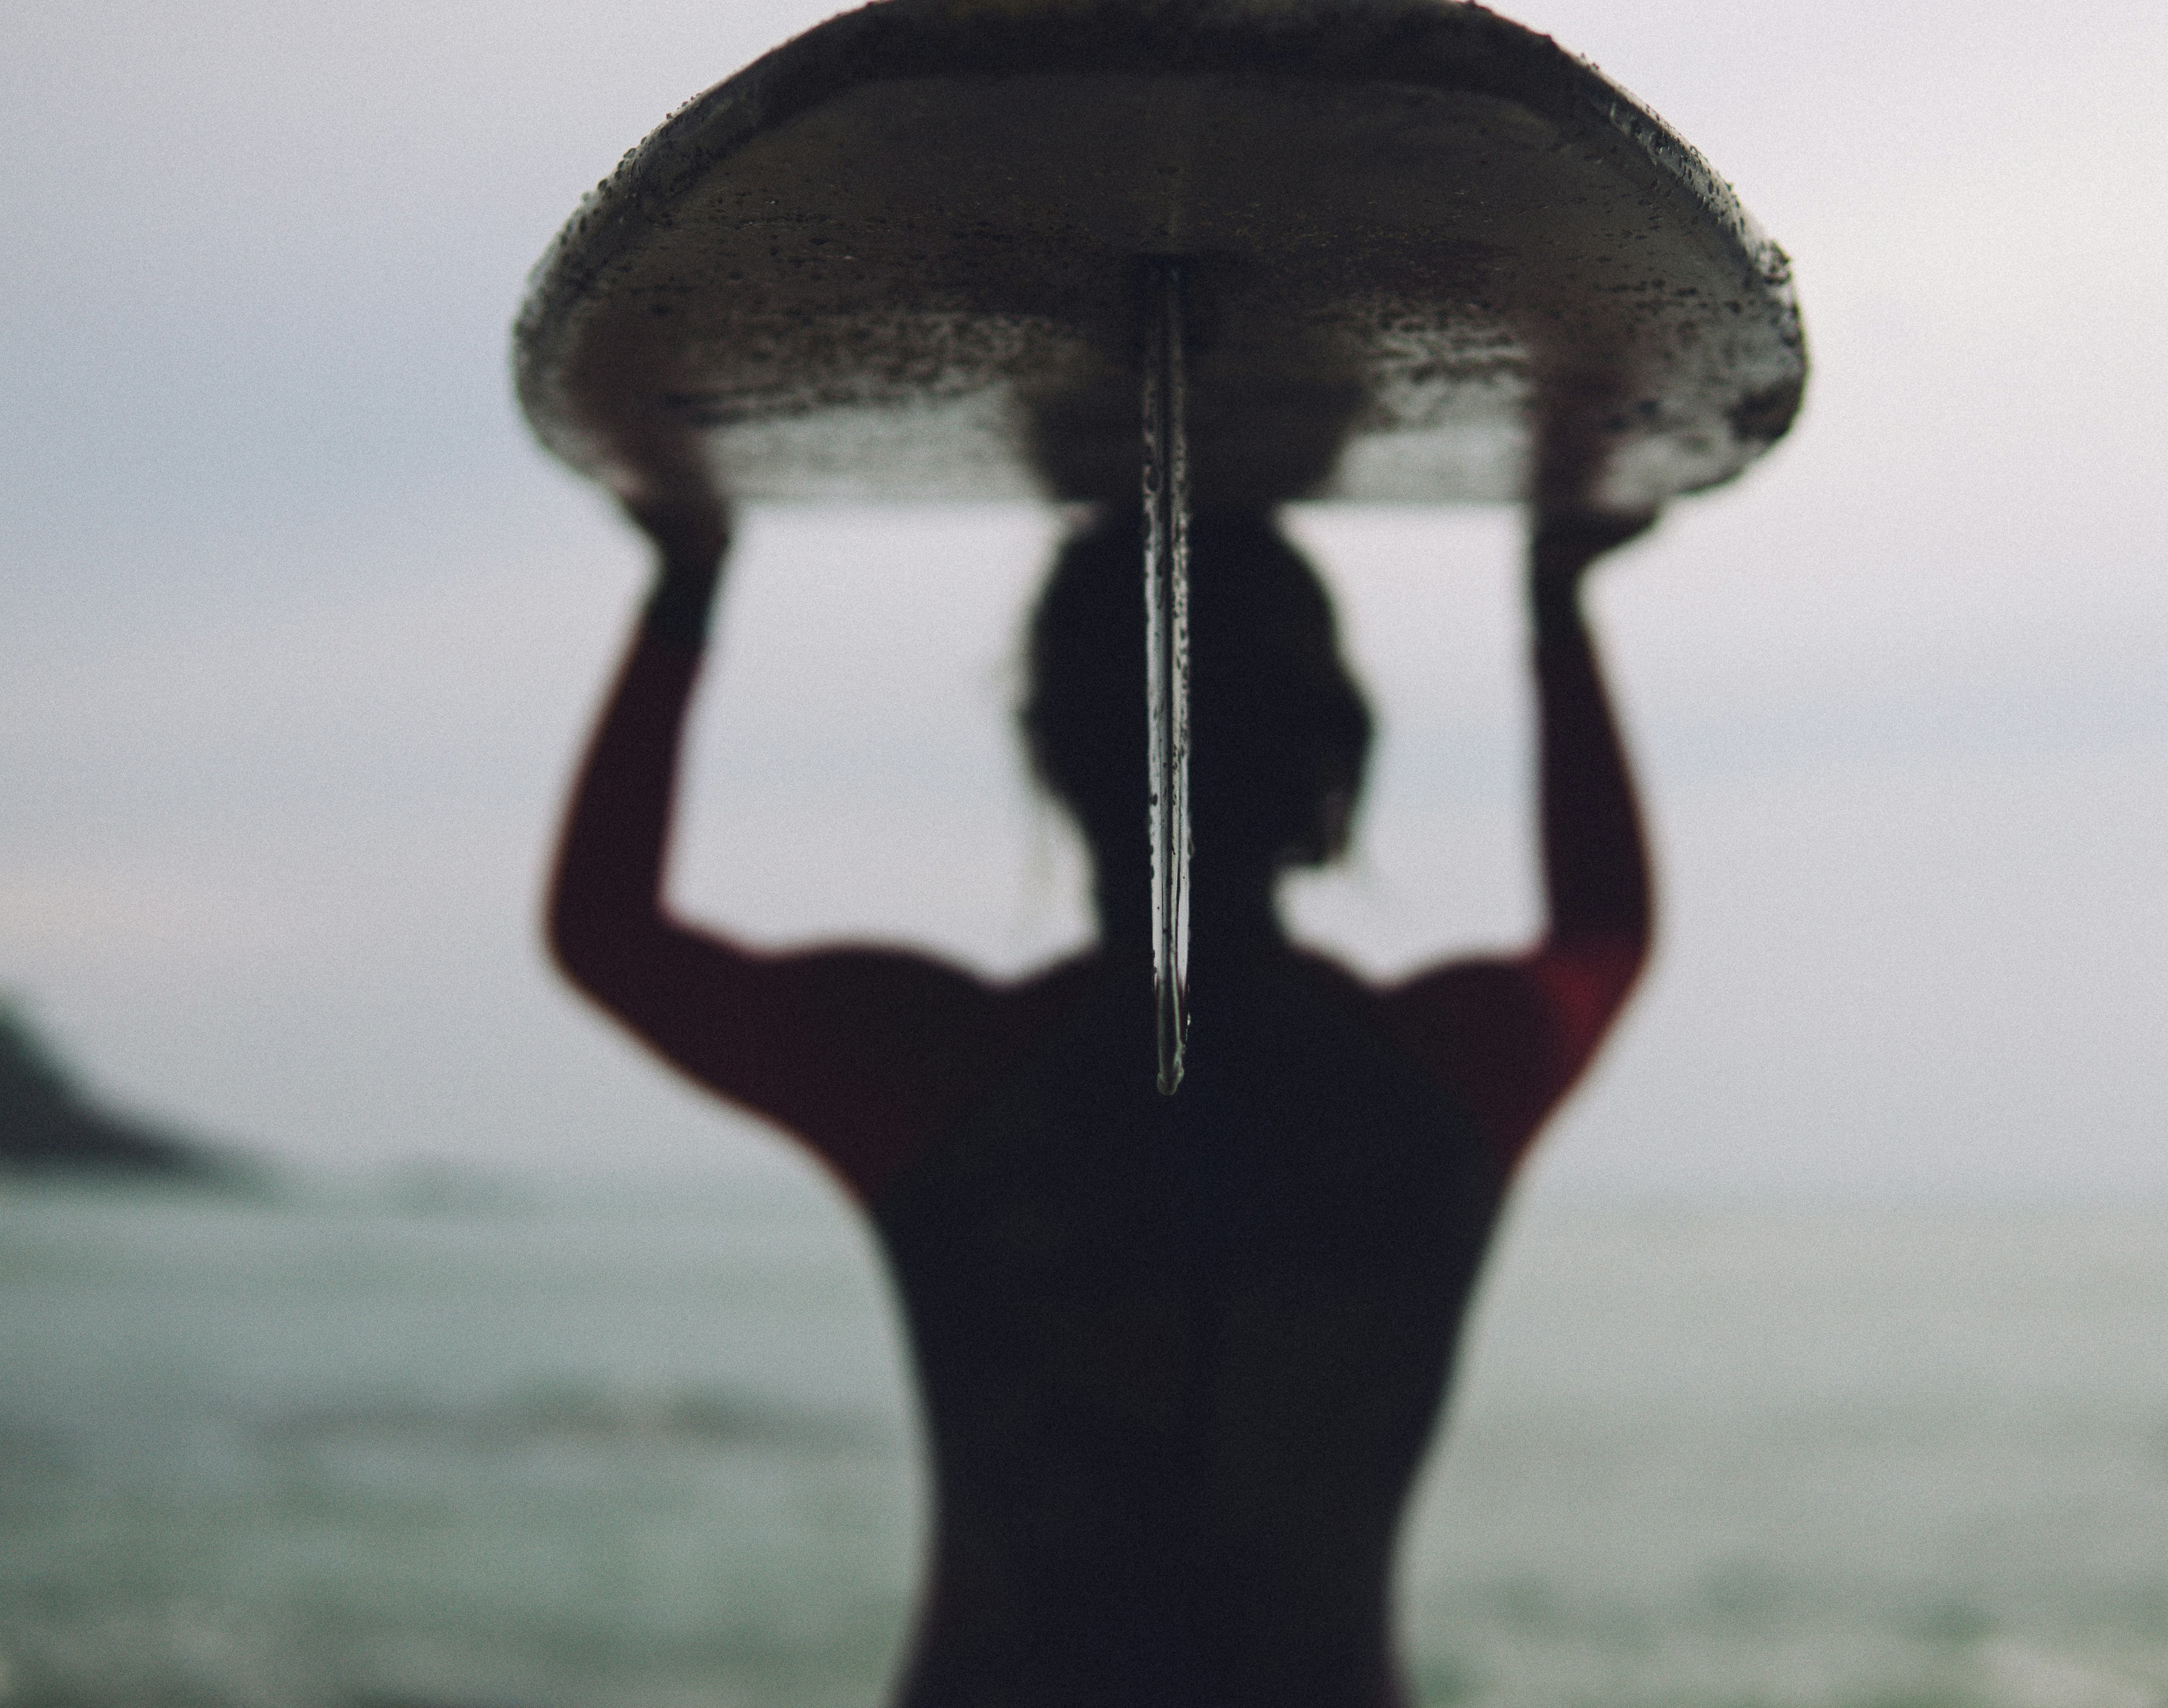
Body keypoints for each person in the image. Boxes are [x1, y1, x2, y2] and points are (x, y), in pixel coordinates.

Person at [548, 495, 1656, 1708]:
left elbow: (607, 930)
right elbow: (1607, 927)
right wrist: (1557, 604)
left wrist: (686, 580)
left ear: (1050, 752)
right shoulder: (1447, 1077)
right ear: (1333, 752)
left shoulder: (945, 1075)